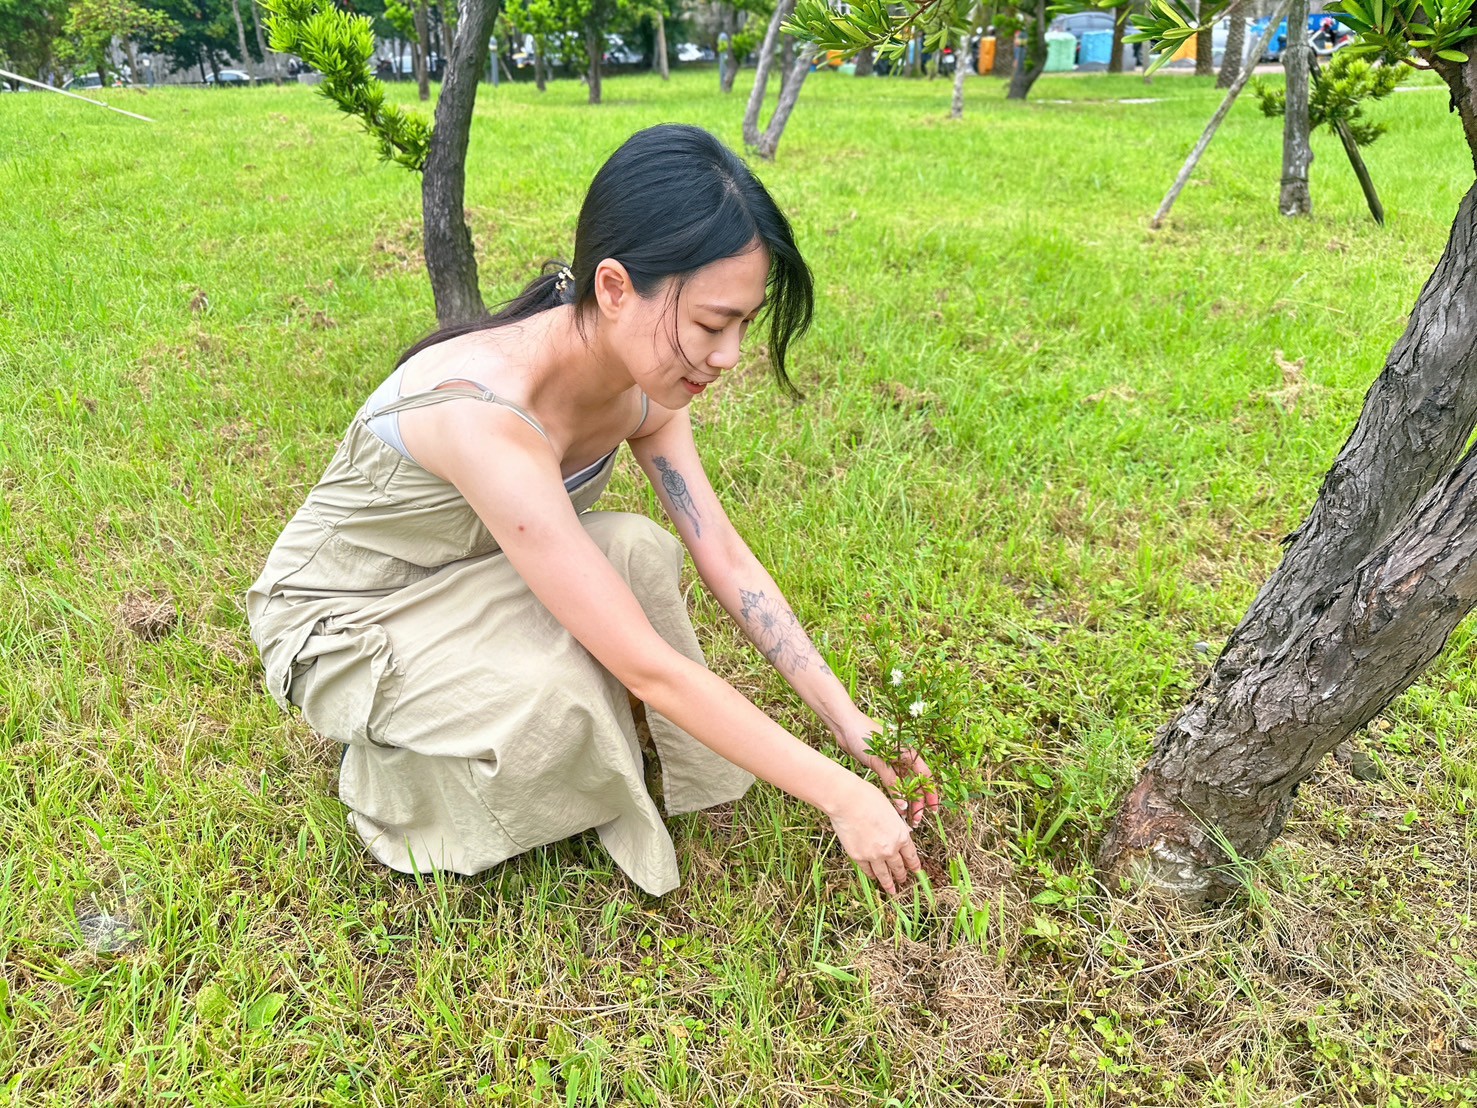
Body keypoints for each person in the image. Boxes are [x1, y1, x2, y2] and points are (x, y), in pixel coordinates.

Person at [246, 124, 939, 897]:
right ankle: (394, 785)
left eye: (745, 323)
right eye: (712, 323)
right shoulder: (482, 415)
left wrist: (849, 723)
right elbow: (649, 668)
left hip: (465, 583)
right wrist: (839, 794)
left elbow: (727, 558)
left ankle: (519, 719)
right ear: (613, 287)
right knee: (559, 696)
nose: (730, 355)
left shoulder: (646, 389)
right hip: (341, 624)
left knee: (635, 548)